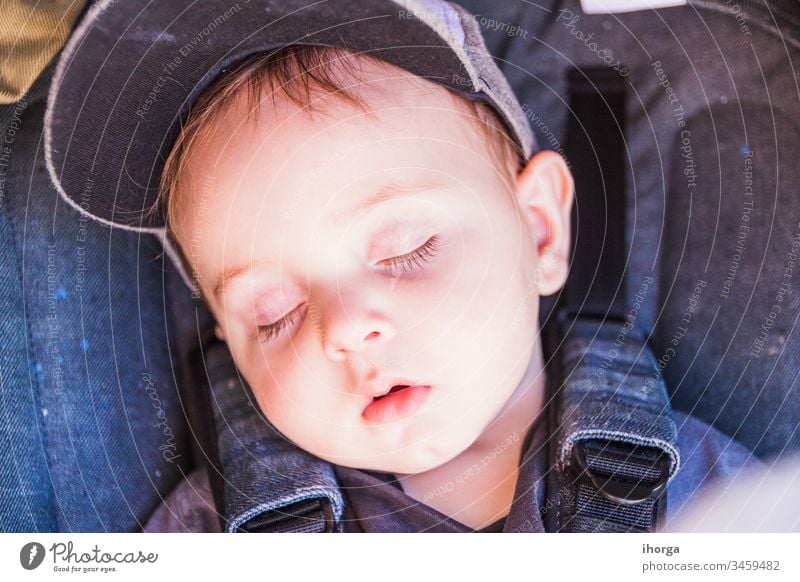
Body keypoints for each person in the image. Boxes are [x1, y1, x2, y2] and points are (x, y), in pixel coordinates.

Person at [45, 0, 764, 533]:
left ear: (540, 230)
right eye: (273, 313)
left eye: (404, 249)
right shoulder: (207, 537)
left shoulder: (715, 498)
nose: (347, 329)